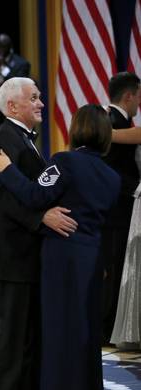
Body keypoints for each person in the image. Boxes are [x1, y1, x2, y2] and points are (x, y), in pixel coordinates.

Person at [0, 104, 120, 390]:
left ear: (77, 130)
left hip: (63, 260)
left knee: (62, 339)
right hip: (92, 261)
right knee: (87, 340)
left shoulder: (65, 162)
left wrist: (6, 170)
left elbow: (35, 195)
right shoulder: (111, 175)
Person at [0, 77, 78, 390]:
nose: (40, 102)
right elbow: (1, 197)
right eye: (32, 98)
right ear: (12, 107)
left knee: (26, 342)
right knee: (8, 344)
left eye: (38, 96)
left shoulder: (21, 140)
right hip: (9, 259)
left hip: (23, 259)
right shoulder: (4, 137)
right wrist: (41, 219)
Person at [100, 72, 141, 344]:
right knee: (114, 269)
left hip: (123, 207)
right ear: (128, 95)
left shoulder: (111, 123)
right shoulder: (110, 121)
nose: (139, 101)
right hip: (117, 208)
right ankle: (108, 329)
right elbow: (110, 169)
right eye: (138, 95)